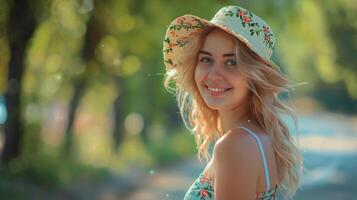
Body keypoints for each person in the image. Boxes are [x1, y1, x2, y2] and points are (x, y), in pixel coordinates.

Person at [162, 5, 303, 200]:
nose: (214, 75)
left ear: (255, 75)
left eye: (231, 62)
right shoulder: (255, 137)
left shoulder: (235, 146)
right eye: (206, 59)